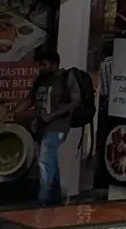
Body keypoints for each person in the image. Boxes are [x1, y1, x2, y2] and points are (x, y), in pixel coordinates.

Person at [18, 50, 80, 206]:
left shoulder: (66, 78)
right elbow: (30, 99)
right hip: (41, 125)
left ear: (54, 63)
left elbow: (75, 102)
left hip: (58, 125)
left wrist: (52, 115)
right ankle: (55, 199)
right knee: (50, 161)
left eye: (44, 64)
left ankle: (43, 200)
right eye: (39, 64)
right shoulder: (41, 79)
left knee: (44, 161)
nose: (40, 67)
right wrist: (13, 112)